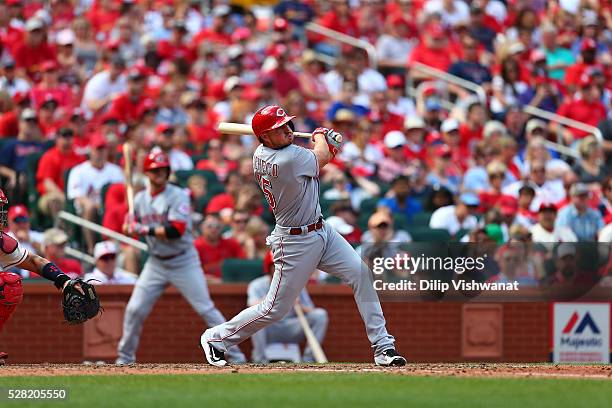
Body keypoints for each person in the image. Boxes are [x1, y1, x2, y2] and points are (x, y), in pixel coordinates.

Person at [201, 105, 406, 367]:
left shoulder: (264, 153)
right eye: (279, 129)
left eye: (287, 125)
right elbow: (323, 155)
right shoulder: (285, 159)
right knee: (274, 309)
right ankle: (216, 338)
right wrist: (322, 136)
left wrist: (322, 141)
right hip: (294, 241)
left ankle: (383, 347)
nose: (287, 131)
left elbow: (320, 154)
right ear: (265, 137)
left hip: (322, 230)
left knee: (361, 274)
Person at [116, 150, 245, 365]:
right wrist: (129, 223)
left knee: (206, 309)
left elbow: (175, 229)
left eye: (163, 170)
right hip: (156, 262)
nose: (159, 174)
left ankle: (237, 356)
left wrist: (140, 228)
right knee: (134, 309)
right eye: (155, 170)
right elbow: (131, 227)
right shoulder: (139, 199)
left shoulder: (178, 195)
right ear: (147, 173)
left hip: (183, 260)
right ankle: (124, 358)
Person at [0, 189, 98, 363]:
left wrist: (64, 280)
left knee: (9, 285)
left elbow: (34, 260)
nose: (1, 214)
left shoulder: (2, 242)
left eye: (1, 208)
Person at [249, 251, 328, 363]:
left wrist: (297, 303)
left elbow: (311, 310)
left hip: (291, 327)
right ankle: (260, 360)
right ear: (269, 267)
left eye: (282, 265)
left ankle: (308, 360)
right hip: (269, 327)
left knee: (320, 315)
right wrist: (277, 297)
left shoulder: (295, 283)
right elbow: (251, 306)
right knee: (254, 317)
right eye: (275, 265)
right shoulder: (257, 284)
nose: (279, 268)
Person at [66, 133, 124, 253]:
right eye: (98, 150)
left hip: (110, 208)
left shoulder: (116, 170)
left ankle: (117, 248)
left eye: (103, 149)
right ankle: (91, 249)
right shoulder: (79, 170)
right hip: (87, 208)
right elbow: (75, 195)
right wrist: (94, 204)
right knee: (90, 208)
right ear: (91, 151)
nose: (101, 153)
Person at [194, 214, 246, 281]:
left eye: (217, 227)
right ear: (202, 228)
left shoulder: (232, 243)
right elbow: (192, 271)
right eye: (209, 227)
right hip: (205, 283)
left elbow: (242, 264)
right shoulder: (196, 245)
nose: (213, 230)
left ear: (222, 228)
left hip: (229, 283)